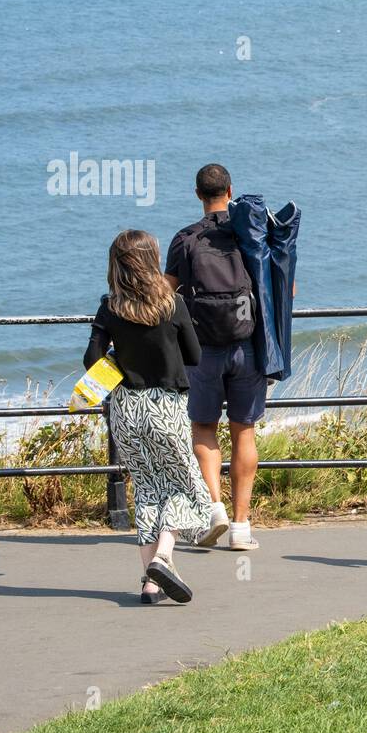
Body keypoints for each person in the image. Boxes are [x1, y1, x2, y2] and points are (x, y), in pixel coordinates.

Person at [84, 231, 212, 604]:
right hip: (164, 407)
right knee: (187, 486)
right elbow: (194, 356)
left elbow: (91, 360)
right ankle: (163, 557)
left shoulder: (110, 307)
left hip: (125, 407)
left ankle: (150, 584)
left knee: (147, 488)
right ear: (151, 260)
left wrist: (122, 364)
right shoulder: (172, 303)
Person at [164, 164, 264, 551]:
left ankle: (214, 511)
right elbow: (281, 289)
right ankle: (241, 528)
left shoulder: (186, 238)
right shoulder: (248, 233)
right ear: (230, 190)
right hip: (247, 345)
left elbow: (165, 293)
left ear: (197, 194)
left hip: (201, 349)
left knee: (204, 429)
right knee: (244, 430)